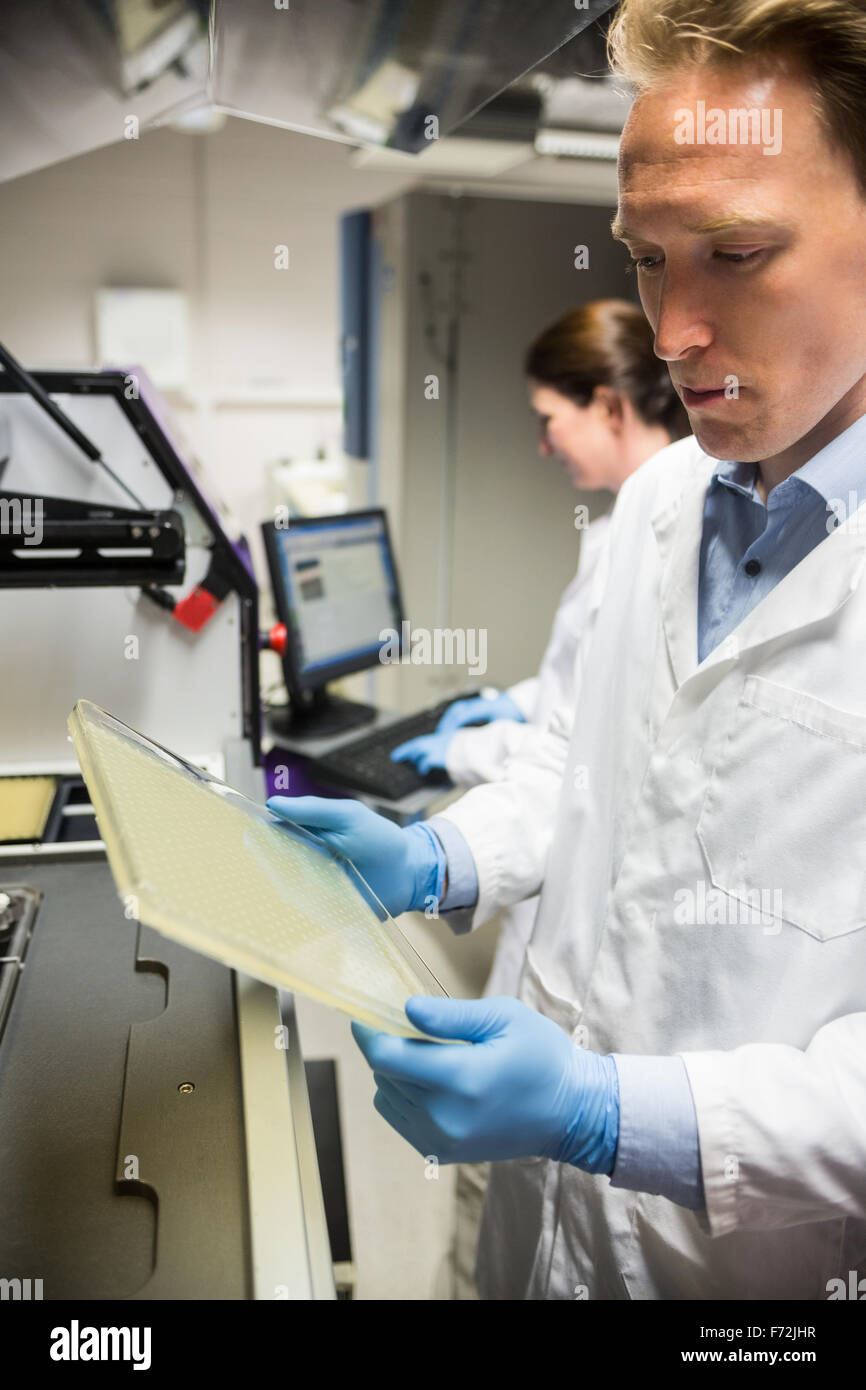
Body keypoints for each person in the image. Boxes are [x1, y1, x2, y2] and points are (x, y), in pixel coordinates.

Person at [268, 0, 866, 1300]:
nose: (671, 332)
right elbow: (577, 771)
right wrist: (438, 856)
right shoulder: (658, 505)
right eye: (647, 257)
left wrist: (612, 1111)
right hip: (543, 1242)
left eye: (735, 250)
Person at [390, 300, 688, 1000]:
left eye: (550, 418)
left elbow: (593, 749)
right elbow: (588, 680)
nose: (543, 444)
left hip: (590, 897)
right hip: (551, 857)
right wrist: (513, 701)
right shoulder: (625, 523)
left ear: (608, 406)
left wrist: (465, 754)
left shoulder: (658, 539)